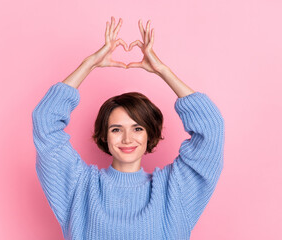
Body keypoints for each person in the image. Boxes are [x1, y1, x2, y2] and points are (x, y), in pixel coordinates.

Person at [32, 16, 225, 240]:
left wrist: (163, 71)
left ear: (149, 134)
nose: (126, 138)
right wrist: (89, 65)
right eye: (116, 129)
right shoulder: (79, 186)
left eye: (137, 128)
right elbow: (45, 120)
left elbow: (211, 130)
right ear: (104, 135)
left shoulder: (174, 190)